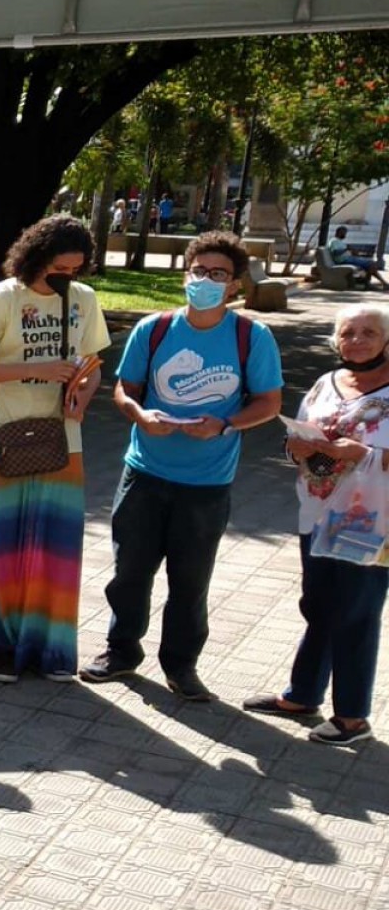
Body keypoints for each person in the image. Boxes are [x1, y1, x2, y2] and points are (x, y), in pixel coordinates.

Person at [80, 232, 284, 699]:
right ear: (184, 275)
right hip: (145, 474)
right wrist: (139, 415)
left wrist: (226, 424)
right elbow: (124, 389)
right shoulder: (153, 329)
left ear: (234, 285)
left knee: (190, 582)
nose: (207, 281)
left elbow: (269, 402)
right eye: (200, 271)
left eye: (219, 275)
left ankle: (181, 665)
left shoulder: (251, 337)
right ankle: (121, 650)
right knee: (129, 572)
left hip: (207, 483)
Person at [0, 216, 109, 683]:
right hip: (8, 437)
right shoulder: (1, 298)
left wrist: (85, 391)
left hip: (64, 440)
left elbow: (93, 364)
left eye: (75, 269)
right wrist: (33, 370)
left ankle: (52, 649)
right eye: (58, 267)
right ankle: (1, 646)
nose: (65, 277)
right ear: (35, 257)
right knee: (4, 546)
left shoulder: (84, 300)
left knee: (56, 548)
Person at [246, 305, 389, 744]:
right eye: (348, 332)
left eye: (370, 332)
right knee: (320, 605)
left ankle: (352, 717)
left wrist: (363, 455)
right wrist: (297, 449)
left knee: (356, 613)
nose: (358, 340)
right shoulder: (326, 383)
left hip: (372, 521)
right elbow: (299, 436)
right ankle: (304, 694)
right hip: (318, 512)